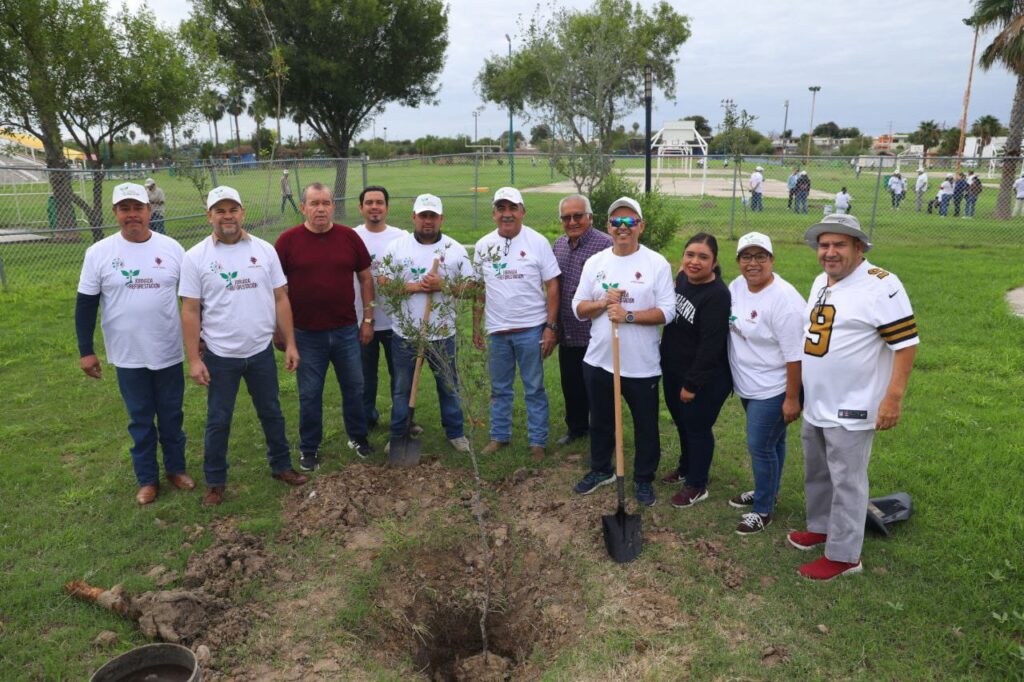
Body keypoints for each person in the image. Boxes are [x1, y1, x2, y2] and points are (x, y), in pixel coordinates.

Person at [790, 213, 918, 580]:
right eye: (824, 245)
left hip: (853, 404)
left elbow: (906, 345)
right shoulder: (822, 281)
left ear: (859, 248)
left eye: (839, 245)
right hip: (818, 401)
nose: (829, 252)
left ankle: (845, 556)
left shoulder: (882, 285)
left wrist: (893, 398)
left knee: (847, 478)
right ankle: (821, 527)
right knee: (818, 472)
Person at [180, 186, 308, 506]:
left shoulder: (264, 250)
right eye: (220, 210)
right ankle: (215, 480)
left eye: (233, 209)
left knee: (272, 412)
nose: (227, 216)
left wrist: (290, 342)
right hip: (221, 355)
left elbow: (281, 297)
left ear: (242, 213)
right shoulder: (196, 257)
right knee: (218, 419)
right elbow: (190, 310)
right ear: (209, 215)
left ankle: (281, 466)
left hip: (260, 351)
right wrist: (194, 359)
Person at [76, 182, 192, 506]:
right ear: (115, 213)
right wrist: (86, 351)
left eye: (137, 208)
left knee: (171, 415)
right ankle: (147, 480)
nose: (132, 215)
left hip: (168, 350)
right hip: (127, 354)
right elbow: (85, 305)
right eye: (124, 209)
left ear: (149, 210)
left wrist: (200, 342)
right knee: (140, 419)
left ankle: (176, 470)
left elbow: (192, 301)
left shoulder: (172, 249)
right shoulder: (98, 253)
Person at [571, 197, 675, 506]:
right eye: (616, 222)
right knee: (600, 420)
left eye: (630, 222)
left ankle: (643, 479)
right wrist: (604, 303)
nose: (622, 228)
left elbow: (668, 312)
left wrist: (628, 316)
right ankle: (601, 469)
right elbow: (578, 307)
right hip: (600, 360)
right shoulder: (596, 263)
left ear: (641, 226)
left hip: (641, 364)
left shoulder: (656, 264)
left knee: (646, 425)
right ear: (608, 227)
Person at [275, 183, 376, 470]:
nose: (320, 208)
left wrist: (368, 319)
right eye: (314, 203)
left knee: (355, 388)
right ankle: (309, 447)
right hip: (306, 334)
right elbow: (275, 289)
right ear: (303, 207)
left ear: (333, 206)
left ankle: (358, 438)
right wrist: (278, 330)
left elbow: (366, 279)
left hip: (346, 331)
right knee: (309, 394)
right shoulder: (287, 241)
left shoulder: (349, 237)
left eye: (325, 203)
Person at [472, 187, 561, 460]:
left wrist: (550, 327)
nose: (507, 214)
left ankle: (537, 442)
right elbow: (479, 289)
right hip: (497, 331)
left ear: (522, 211)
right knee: (499, 388)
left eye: (512, 209)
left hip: (531, 328)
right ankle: (499, 436)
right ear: (494, 213)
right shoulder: (483, 245)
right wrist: (477, 327)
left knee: (534, 387)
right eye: (501, 209)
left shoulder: (537, 242)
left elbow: (552, 286)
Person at [380, 194, 472, 453]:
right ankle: (399, 434)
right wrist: (416, 286)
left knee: (449, 386)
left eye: (433, 216)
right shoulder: (398, 248)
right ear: (414, 217)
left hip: (443, 333)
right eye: (423, 216)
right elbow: (384, 283)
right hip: (405, 334)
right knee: (401, 389)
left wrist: (443, 285)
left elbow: (471, 286)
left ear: (441, 218)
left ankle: (455, 432)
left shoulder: (454, 250)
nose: (427, 221)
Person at [726, 232, 805, 534]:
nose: (753, 263)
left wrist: (791, 398)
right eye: (747, 256)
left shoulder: (784, 299)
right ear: (738, 261)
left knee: (759, 445)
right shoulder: (736, 287)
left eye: (761, 256)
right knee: (775, 442)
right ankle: (767, 492)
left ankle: (763, 510)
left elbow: (795, 355)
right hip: (748, 384)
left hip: (774, 388)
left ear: (772, 260)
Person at [660, 233, 732, 508]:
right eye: (690, 255)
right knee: (682, 422)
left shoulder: (717, 295)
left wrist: (692, 385)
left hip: (705, 378)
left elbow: (710, 347)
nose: (695, 261)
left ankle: (697, 483)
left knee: (698, 427)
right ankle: (685, 467)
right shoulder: (681, 281)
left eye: (703, 257)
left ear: (714, 262)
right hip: (674, 370)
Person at [551, 194, 613, 447]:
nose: (572, 221)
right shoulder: (559, 245)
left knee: (598, 388)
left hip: (595, 331)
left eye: (578, 216)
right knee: (571, 383)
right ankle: (576, 428)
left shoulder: (605, 245)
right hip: (568, 330)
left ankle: (602, 433)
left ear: (589, 216)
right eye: (566, 217)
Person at [353, 186, 406, 430]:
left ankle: (402, 419)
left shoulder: (401, 237)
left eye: (380, 202)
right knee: (365, 377)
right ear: (361, 207)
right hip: (362, 319)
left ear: (387, 207)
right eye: (369, 202)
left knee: (400, 376)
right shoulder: (351, 236)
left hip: (396, 321)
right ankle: (366, 418)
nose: (374, 206)